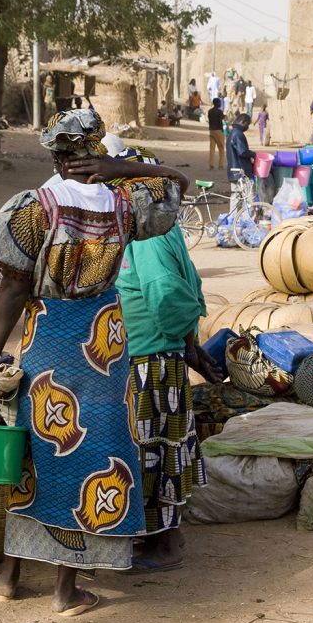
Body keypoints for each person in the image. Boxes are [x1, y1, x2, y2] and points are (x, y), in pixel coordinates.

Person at [0, 109, 188, 615]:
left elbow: (12, 290)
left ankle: (8, 578)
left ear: (55, 154)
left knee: (35, 453)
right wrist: (126, 167)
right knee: (90, 458)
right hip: (103, 343)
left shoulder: (34, 207)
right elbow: (176, 182)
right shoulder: (127, 203)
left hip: (47, 338)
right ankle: (64, 589)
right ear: (98, 151)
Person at [114, 223, 221, 571]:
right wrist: (189, 347)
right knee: (151, 448)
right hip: (148, 353)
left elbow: (166, 293)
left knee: (153, 449)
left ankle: (166, 541)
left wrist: (187, 344)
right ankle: (152, 533)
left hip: (150, 358)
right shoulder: (147, 231)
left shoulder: (148, 236)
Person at [227, 113, 255, 179]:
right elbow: (242, 152)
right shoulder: (237, 134)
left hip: (235, 172)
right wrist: (253, 154)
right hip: (240, 173)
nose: (247, 127)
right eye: (247, 124)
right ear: (243, 122)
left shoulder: (233, 132)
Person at [207, 98, 225, 170]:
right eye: (219, 103)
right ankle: (220, 165)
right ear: (218, 103)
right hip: (218, 130)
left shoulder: (210, 111)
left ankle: (211, 164)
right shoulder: (220, 112)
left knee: (212, 149)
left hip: (211, 130)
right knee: (221, 148)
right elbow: (221, 120)